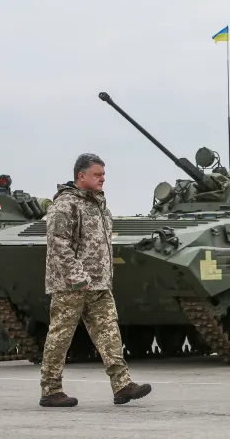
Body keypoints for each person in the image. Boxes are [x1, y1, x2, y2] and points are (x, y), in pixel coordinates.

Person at [39, 153, 151, 407]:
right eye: (97, 175)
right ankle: (50, 390)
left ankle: (122, 385)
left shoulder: (99, 205)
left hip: (98, 284)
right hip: (71, 285)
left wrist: (101, 277)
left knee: (110, 332)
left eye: (103, 175)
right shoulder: (66, 205)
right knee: (60, 336)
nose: (102, 179)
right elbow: (58, 244)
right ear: (81, 176)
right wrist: (78, 277)